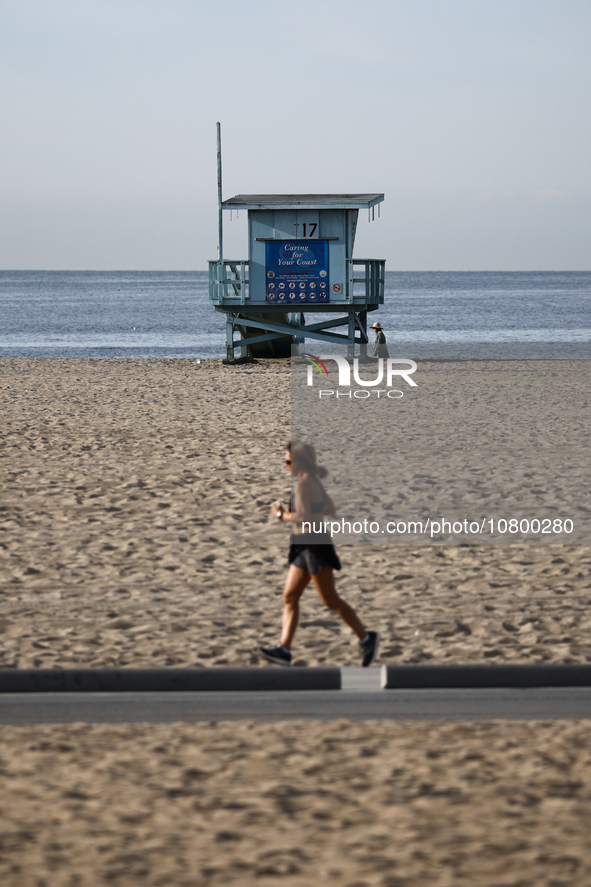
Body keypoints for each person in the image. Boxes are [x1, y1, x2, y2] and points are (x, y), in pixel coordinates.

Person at [259, 439, 379, 667]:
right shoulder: (312, 482)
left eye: (288, 462)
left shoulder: (304, 484)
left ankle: (366, 638)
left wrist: (280, 515)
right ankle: (284, 649)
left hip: (315, 546)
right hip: (303, 546)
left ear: (300, 462)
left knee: (329, 599)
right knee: (290, 596)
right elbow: (330, 508)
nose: (286, 466)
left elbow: (303, 517)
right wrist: (313, 510)